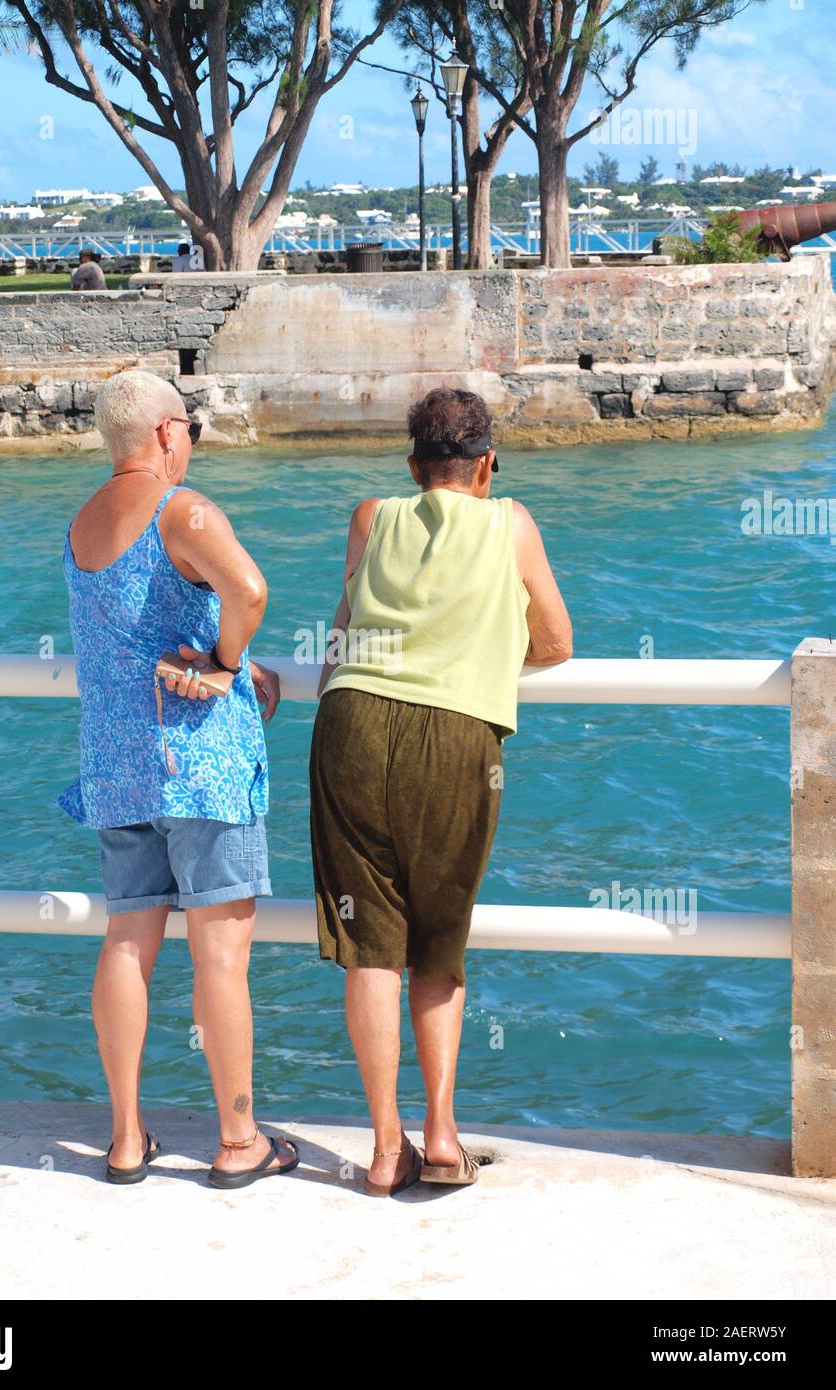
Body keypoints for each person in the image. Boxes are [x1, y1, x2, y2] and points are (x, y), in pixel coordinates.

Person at [310, 386, 572, 1197]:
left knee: (369, 947)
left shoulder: (369, 517)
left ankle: (386, 1148)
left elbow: (342, 632)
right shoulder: (512, 523)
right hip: (457, 734)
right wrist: (480, 653)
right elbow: (556, 643)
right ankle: (442, 1135)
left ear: (413, 466)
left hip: (349, 724)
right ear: (486, 463)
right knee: (439, 941)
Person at [58, 367, 298, 1189]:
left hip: (117, 764)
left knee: (128, 939)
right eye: (187, 425)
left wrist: (234, 656)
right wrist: (231, 663)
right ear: (163, 432)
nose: (190, 439)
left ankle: (126, 1138)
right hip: (198, 767)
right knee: (220, 957)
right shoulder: (181, 510)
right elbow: (250, 588)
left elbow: (137, 630)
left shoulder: (82, 522)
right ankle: (239, 1142)